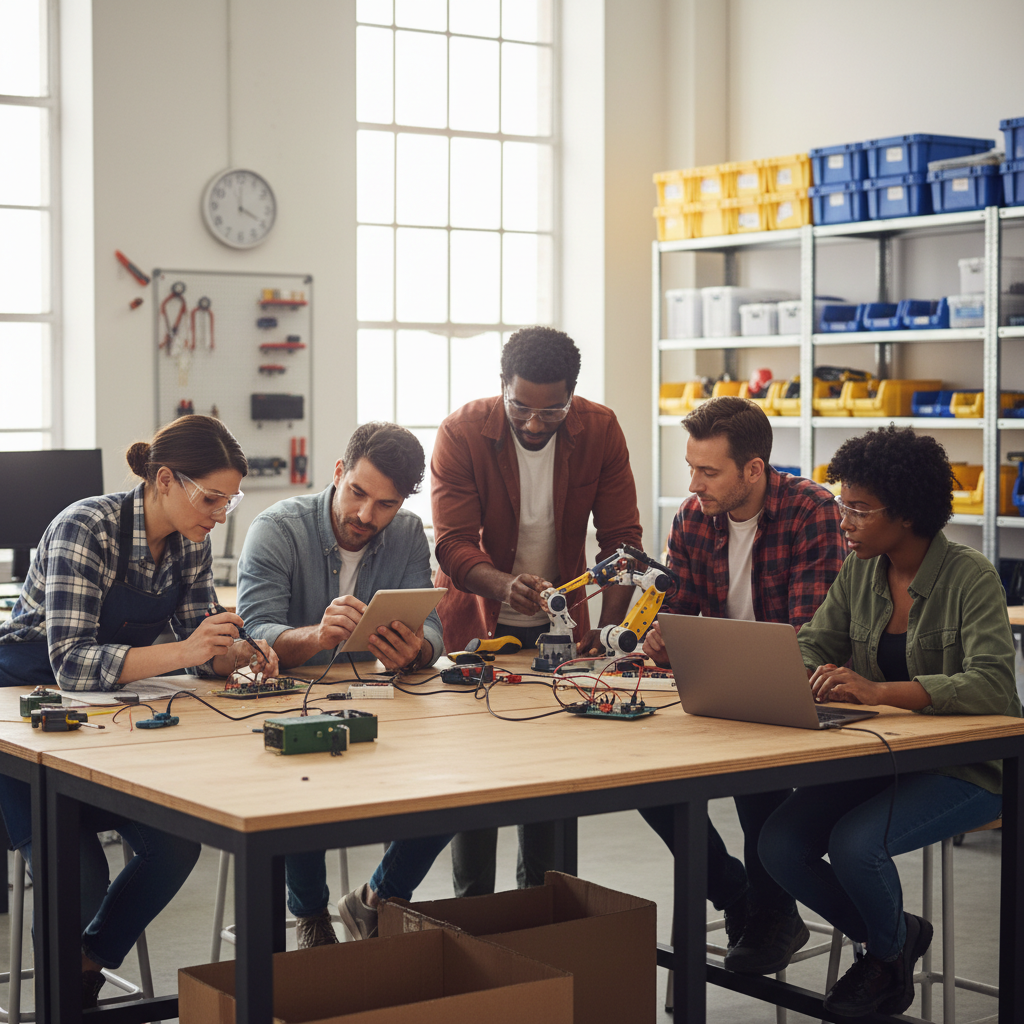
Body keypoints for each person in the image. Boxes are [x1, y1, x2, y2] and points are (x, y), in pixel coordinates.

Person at [0, 414, 274, 1008]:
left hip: (110, 723)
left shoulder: (190, 545)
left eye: (231, 500)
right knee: (78, 872)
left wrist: (242, 656)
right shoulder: (86, 527)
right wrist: (187, 649)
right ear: (166, 481)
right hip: (30, 723)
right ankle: (63, 1001)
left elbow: (204, 654)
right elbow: (71, 662)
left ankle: (83, 965)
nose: (221, 514)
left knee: (176, 844)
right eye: (212, 497)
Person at [758, 426, 1021, 1018]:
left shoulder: (971, 576)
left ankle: (883, 960)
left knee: (855, 845)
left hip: (968, 770)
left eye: (858, 508)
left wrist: (882, 690)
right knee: (778, 842)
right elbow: (812, 642)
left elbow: (995, 687)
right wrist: (780, 676)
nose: (843, 519)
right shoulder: (860, 572)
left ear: (906, 514)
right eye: (841, 503)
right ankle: (894, 941)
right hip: (885, 756)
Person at [431, 325, 643, 897]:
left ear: (572, 397)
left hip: (562, 634)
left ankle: (539, 918)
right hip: (477, 631)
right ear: (502, 385)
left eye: (551, 413)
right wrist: (504, 587)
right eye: (520, 406)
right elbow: (452, 545)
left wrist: (611, 627)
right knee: (477, 789)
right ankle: (473, 915)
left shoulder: (600, 429)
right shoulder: (461, 431)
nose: (532, 423)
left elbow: (622, 541)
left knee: (551, 785)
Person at [640, 396, 845, 975]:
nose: (694, 483)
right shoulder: (690, 516)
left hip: (798, 690)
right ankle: (737, 892)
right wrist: (664, 637)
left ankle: (775, 912)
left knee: (754, 774)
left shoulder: (811, 510)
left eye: (709, 471)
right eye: (691, 467)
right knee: (640, 774)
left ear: (753, 469)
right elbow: (676, 609)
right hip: (720, 690)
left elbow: (811, 636)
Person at [236, 421, 443, 947]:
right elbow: (253, 634)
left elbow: (433, 628)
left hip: (380, 705)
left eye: (386, 505)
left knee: (453, 785)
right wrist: (313, 637)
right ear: (337, 473)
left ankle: (379, 898)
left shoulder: (408, 534)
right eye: (357, 493)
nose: (366, 516)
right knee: (305, 779)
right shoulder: (277, 528)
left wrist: (416, 651)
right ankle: (310, 916)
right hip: (288, 709)